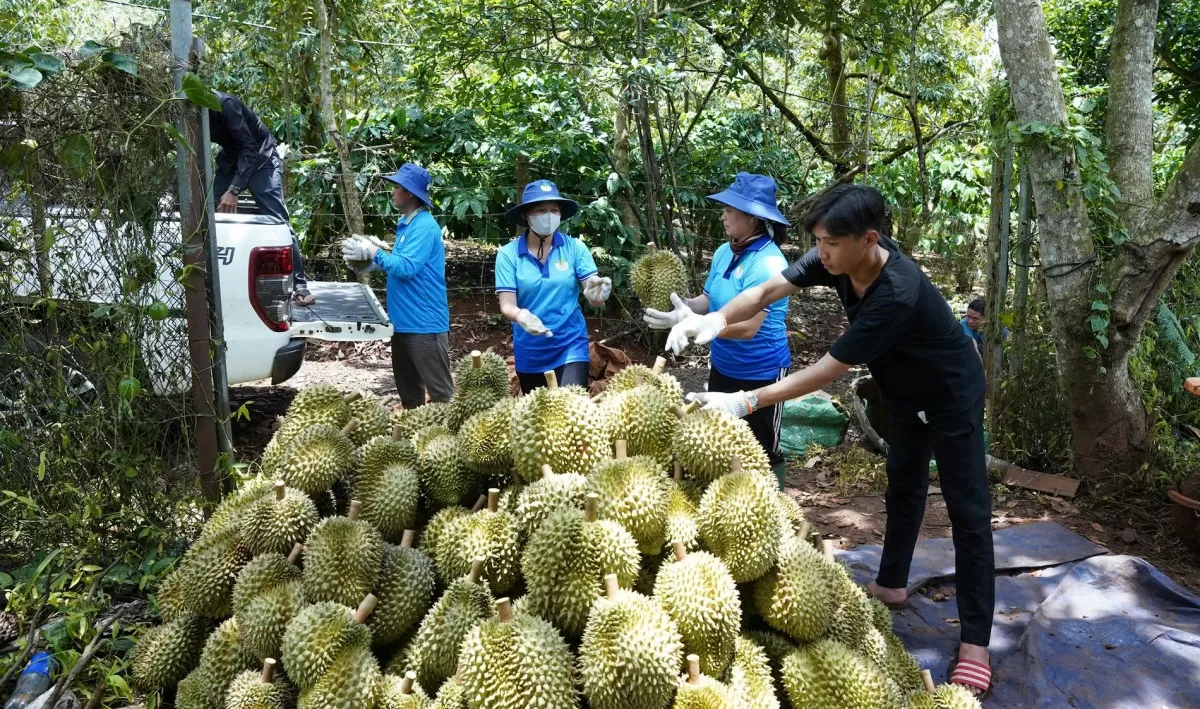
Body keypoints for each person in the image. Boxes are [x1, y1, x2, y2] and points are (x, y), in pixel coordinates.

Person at [666, 184, 994, 698]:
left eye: (829, 243)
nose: (820, 253)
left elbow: (828, 370)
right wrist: (715, 318)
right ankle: (891, 582)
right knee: (902, 486)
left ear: (868, 239)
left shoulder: (896, 292)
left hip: (951, 393)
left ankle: (976, 640)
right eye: (816, 241)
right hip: (904, 393)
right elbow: (768, 291)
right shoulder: (835, 258)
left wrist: (748, 401)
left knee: (967, 509)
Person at [644, 172, 792, 478]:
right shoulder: (726, 252)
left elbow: (750, 327)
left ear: (752, 218)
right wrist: (685, 311)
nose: (723, 216)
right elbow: (709, 299)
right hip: (724, 365)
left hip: (762, 371)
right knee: (724, 442)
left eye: (729, 210)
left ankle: (773, 508)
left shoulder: (769, 263)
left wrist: (706, 326)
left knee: (760, 451)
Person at [340, 163, 453, 409]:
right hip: (403, 324)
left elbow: (406, 267)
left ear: (411, 193)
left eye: (397, 187)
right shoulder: (406, 224)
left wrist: (373, 252)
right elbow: (400, 264)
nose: (393, 192)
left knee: (442, 394)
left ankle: (457, 441)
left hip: (425, 325)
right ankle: (416, 439)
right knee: (410, 395)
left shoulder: (424, 226)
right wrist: (368, 265)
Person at [494, 179, 612, 393]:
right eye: (540, 210)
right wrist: (521, 315)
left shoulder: (575, 248)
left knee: (571, 407)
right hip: (530, 349)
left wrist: (598, 293)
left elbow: (592, 292)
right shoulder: (508, 255)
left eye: (553, 210)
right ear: (526, 215)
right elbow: (507, 305)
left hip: (570, 344)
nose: (548, 216)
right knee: (539, 416)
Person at [209, 91, 313, 305]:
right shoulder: (189, 111)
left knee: (278, 220)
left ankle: (300, 285)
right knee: (204, 207)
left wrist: (234, 189)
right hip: (231, 159)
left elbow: (249, 147)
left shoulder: (225, 104)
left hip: (260, 157)